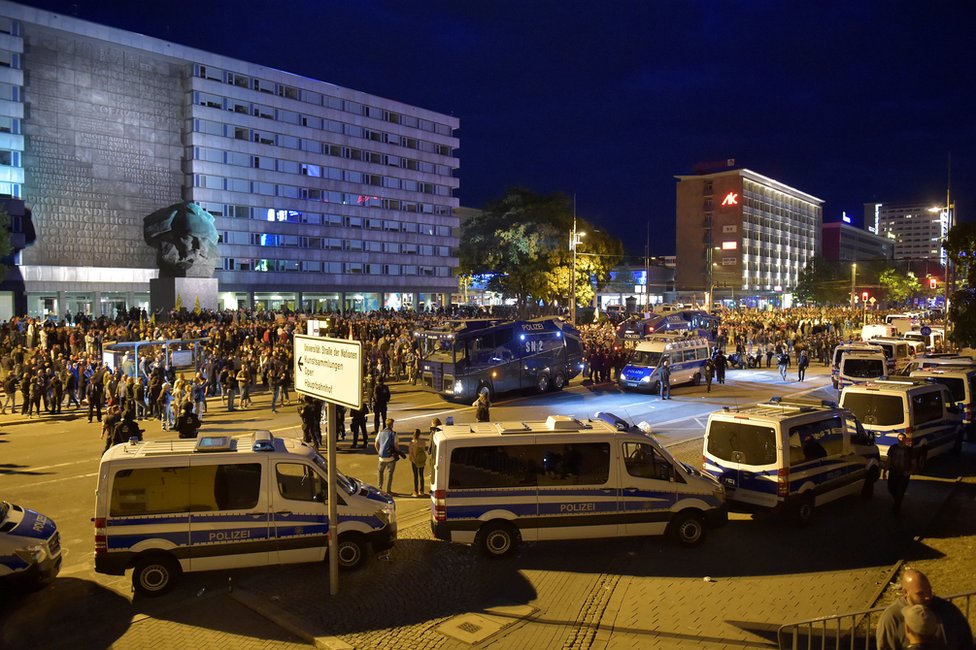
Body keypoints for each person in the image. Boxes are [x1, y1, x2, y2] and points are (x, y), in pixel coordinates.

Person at [876, 568, 973, 650]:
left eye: (929, 591)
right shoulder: (891, 618)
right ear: (905, 592)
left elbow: (966, 643)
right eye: (920, 593)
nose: (928, 597)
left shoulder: (947, 610)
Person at [374, 417, 403, 494]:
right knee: (389, 474)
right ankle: (388, 490)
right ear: (392, 424)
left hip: (381, 457)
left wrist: (379, 452)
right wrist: (398, 453)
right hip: (390, 457)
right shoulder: (393, 434)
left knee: (380, 472)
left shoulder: (380, 432)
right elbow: (396, 446)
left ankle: (379, 488)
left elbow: (376, 444)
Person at [887, 432, 913, 513]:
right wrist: (885, 470)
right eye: (899, 437)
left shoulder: (909, 449)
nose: (901, 439)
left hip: (904, 474)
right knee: (891, 488)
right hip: (893, 472)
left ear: (905, 439)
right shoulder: (893, 448)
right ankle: (897, 501)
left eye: (902, 438)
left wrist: (909, 472)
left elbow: (913, 462)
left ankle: (897, 507)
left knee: (900, 490)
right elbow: (889, 459)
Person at [407, 429, 427, 497]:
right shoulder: (422, 442)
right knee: (421, 475)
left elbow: (410, 453)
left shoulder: (412, 443)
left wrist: (413, 460)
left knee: (415, 476)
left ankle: (415, 491)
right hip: (421, 460)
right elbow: (424, 450)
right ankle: (421, 491)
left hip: (414, 461)